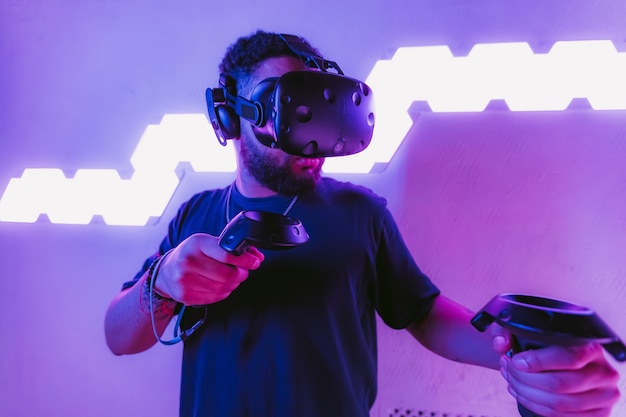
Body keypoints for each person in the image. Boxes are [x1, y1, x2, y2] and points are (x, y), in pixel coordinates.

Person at [104, 30, 621, 417]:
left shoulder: (360, 211)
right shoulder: (196, 214)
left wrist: (521, 360)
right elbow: (120, 335)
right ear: (229, 120)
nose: (310, 137)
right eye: (285, 108)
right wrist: (162, 282)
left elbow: (423, 312)